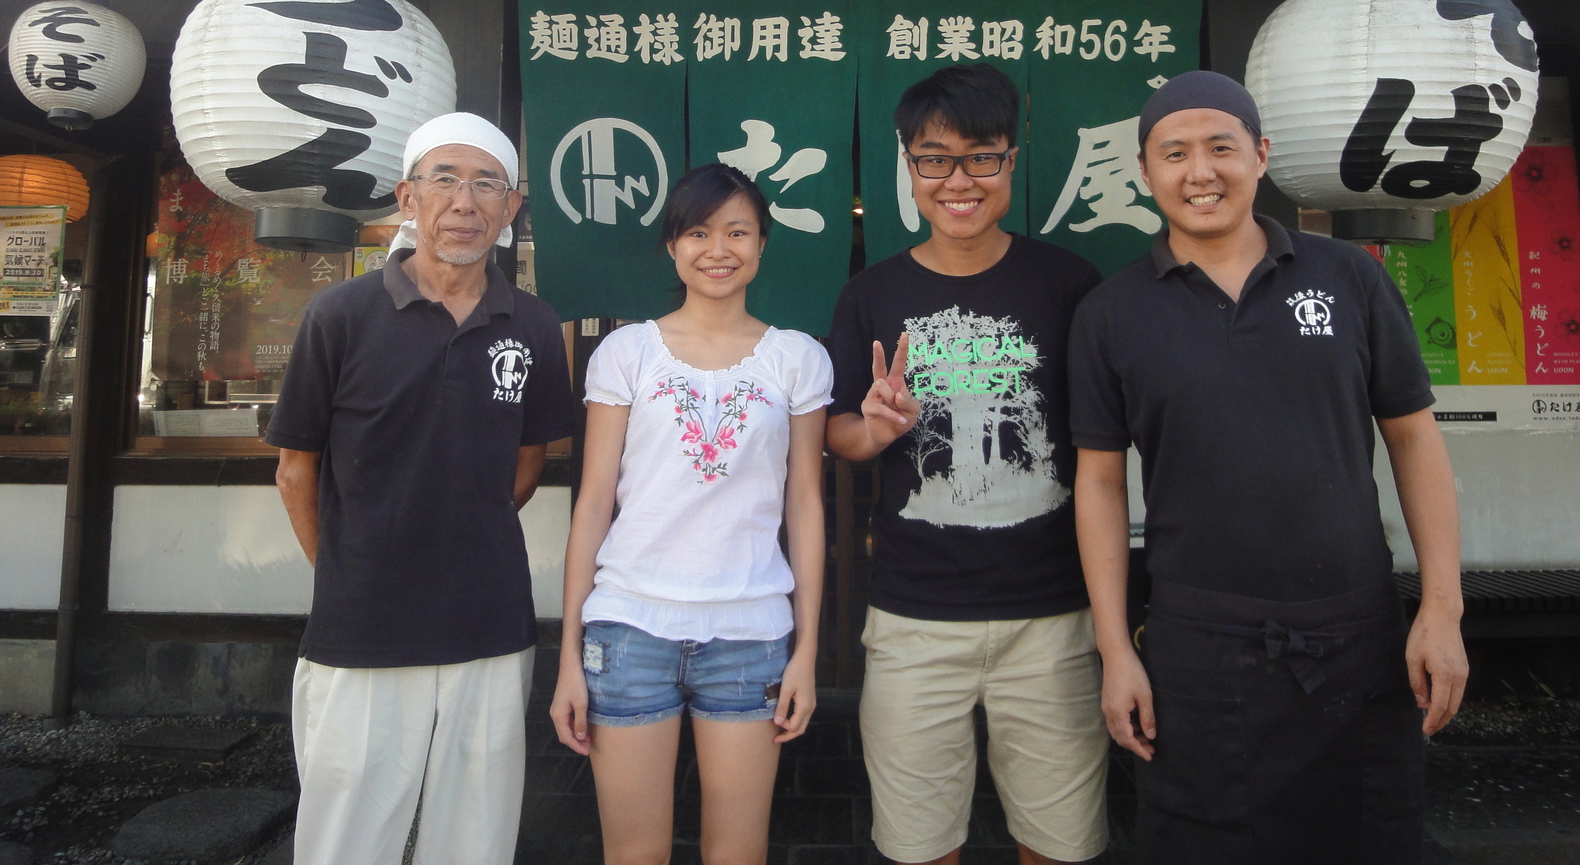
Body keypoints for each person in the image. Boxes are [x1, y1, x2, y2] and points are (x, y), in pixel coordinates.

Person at [1069, 70, 1469, 865]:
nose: (1200, 172)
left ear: (1262, 155)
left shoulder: (1348, 277)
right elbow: (1101, 483)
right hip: (1199, 647)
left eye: (1222, 148)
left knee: (1370, 840)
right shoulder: (1112, 313)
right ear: (1146, 173)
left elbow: (1415, 439)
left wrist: (1443, 610)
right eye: (1174, 153)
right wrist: (1117, 652)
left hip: (1355, 634)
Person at [269, 111, 574, 865]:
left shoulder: (532, 324)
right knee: (348, 828)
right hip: (363, 621)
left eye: (486, 185)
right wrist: (348, 569)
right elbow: (295, 468)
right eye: (445, 180)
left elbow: (529, 458)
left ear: (511, 210)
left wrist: (464, 534)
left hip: (488, 617)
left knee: (476, 827)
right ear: (408, 198)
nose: (464, 203)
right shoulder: (339, 314)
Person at [827, 63, 1108, 865]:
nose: (959, 180)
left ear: (1011, 163)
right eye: (934, 158)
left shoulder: (1068, 285)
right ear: (908, 169)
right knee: (919, 847)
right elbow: (835, 435)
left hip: (1053, 617)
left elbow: (1098, 452)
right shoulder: (871, 294)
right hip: (915, 616)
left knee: (1059, 841)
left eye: (981, 156)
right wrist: (874, 431)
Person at [551, 162, 828, 865]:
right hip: (628, 631)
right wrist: (568, 658)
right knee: (635, 854)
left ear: (762, 244)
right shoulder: (627, 352)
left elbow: (805, 504)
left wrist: (808, 651)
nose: (718, 249)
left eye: (738, 231)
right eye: (699, 231)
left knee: (738, 854)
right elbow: (592, 504)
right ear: (672, 245)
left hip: (751, 633)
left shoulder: (796, 359)